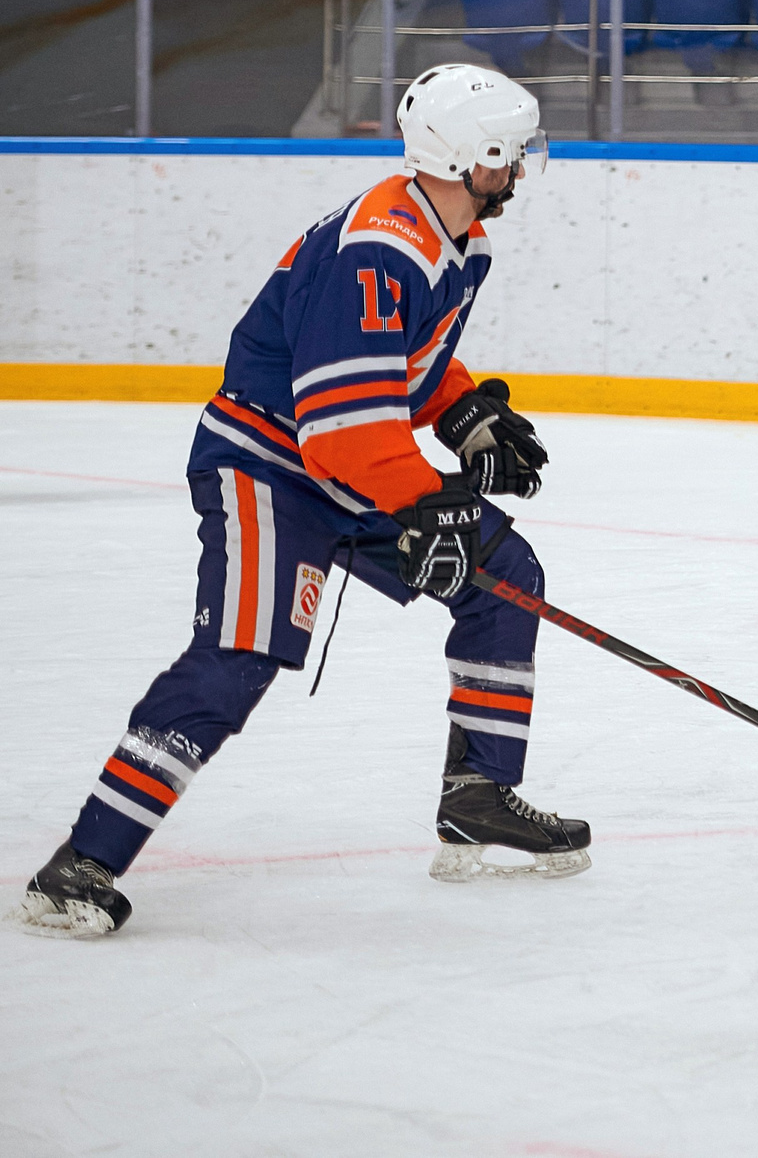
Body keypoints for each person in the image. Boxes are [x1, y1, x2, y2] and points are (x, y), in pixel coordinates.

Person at [18, 65, 586, 939]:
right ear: (481, 156)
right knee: (240, 655)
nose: (523, 169)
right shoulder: (380, 248)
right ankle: (83, 864)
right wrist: (427, 500)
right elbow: (343, 430)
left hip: (348, 469)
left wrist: (463, 410)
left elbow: (407, 368)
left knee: (501, 571)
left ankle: (478, 795)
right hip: (272, 473)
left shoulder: (452, 239)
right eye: (516, 154)